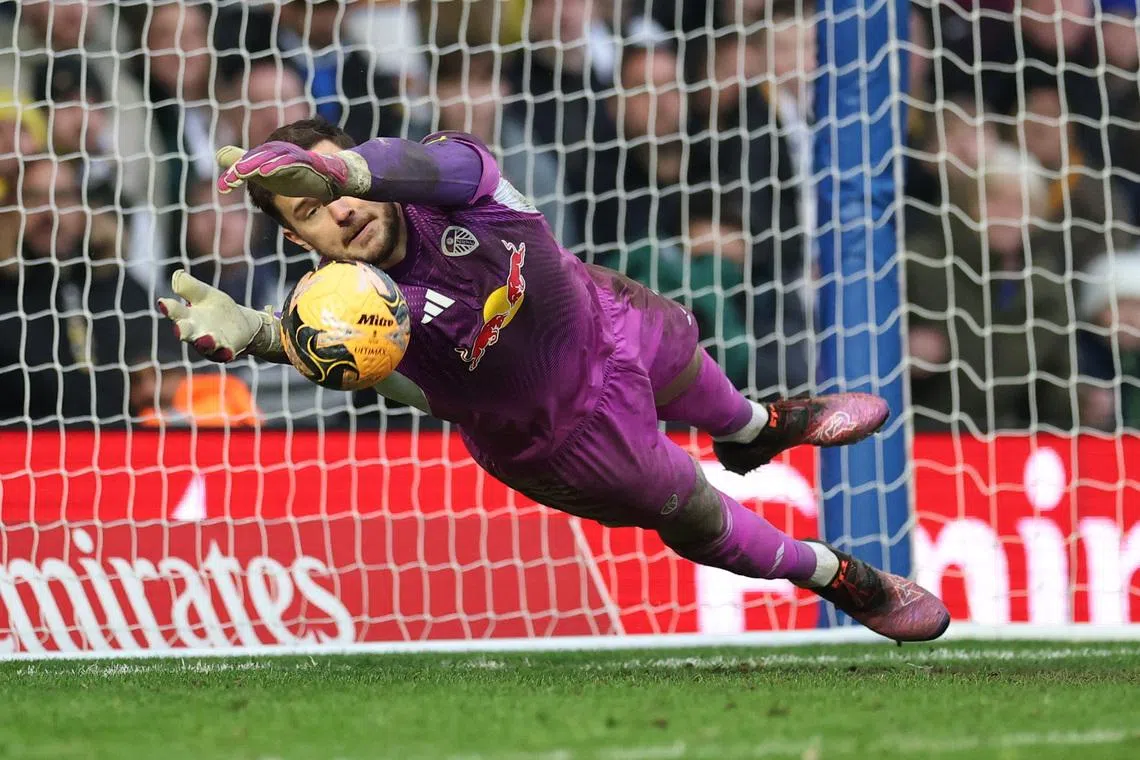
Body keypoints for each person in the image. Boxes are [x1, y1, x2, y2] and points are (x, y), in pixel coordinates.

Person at [157, 119, 950, 642]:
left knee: (678, 344)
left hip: (601, 319)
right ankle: (839, 576)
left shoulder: (455, 178)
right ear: (300, 242)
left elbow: (434, 163)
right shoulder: (347, 317)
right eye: (307, 214)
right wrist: (264, 335)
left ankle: (754, 429)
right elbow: (414, 393)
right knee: (697, 511)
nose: (335, 212)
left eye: (333, 188)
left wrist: (340, 168)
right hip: (561, 438)